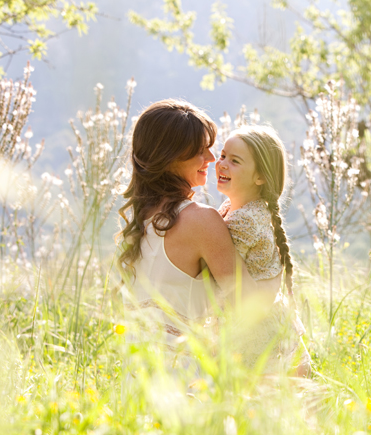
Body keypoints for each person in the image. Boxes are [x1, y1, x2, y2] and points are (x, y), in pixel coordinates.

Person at [116, 100, 280, 379]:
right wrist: (275, 271)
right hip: (183, 377)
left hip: (137, 375)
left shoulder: (139, 220)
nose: (212, 159)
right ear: (170, 156)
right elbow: (250, 306)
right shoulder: (202, 221)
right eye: (199, 151)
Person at [216, 124, 311, 376]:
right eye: (223, 155)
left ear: (260, 177)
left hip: (256, 333)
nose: (222, 163)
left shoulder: (244, 220)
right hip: (270, 321)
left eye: (234, 161)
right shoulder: (242, 208)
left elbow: (216, 270)